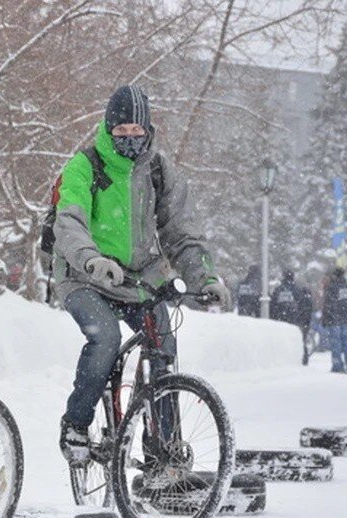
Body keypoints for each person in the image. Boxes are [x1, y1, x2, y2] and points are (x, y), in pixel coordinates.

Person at [51, 83, 230, 464]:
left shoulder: (159, 171)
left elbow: (181, 232)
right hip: (84, 276)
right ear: (108, 129)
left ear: (148, 131)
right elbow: (69, 221)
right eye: (121, 133)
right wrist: (92, 259)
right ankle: (76, 424)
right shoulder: (85, 166)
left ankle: (162, 454)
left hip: (139, 280)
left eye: (137, 133)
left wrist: (205, 279)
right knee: (105, 338)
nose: (130, 140)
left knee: (163, 346)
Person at [271, 269, 312, 364]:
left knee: (281, 341)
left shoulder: (278, 290)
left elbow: (273, 306)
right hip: (295, 320)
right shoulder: (298, 290)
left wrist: (275, 318)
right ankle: (303, 359)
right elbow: (303, 306)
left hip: (280, 320)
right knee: (299, 341)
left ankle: (283, 359)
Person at [322, 265, 347, 374]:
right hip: (346, 320)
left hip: (334, 320)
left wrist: (326, 318)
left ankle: (337, 366)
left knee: (336, 344)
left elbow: (328, 305)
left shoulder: (332, 288)